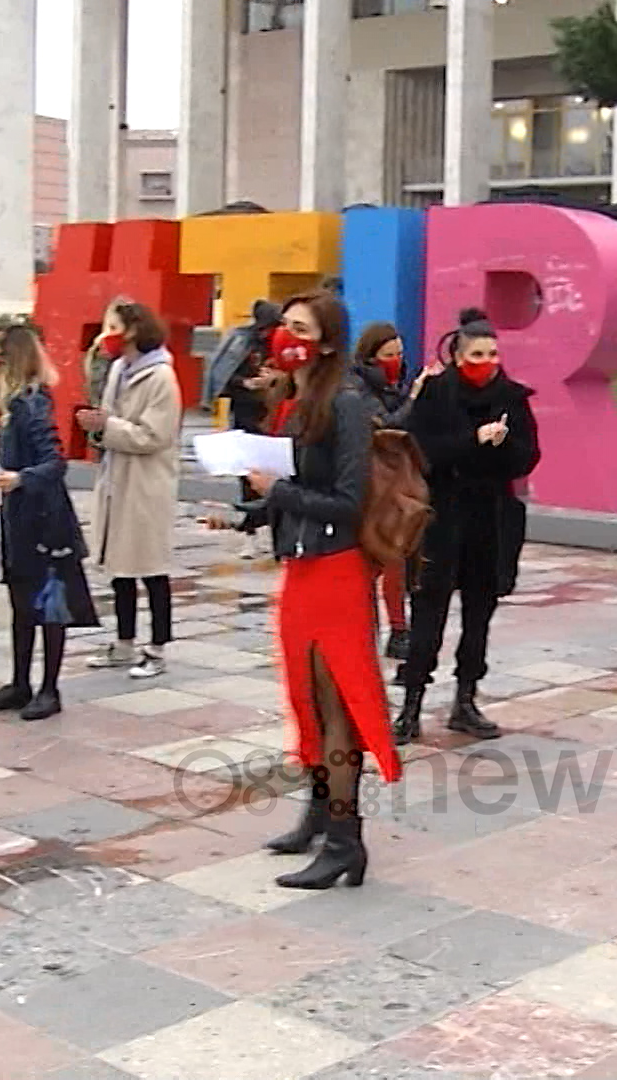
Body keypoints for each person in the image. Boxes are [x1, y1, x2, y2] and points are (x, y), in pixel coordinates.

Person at [217, 290, 398, 889]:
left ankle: (347, 840)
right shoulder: (299, 401)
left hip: (337, 571)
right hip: (302, 567)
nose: (285, 338)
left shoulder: (345, 403)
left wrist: (277, 491)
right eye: (285, 326)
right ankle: (320, 816)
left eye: (300, 328)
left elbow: (346, 501)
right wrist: (249, 512)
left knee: (337, 704)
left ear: (325, 342)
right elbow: (295, 487)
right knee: (309, 701)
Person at [391, 308, 541, 745]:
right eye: (477, 354)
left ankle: (466, 699)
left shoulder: (512, 397)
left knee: (479, 614)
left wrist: (503, 443)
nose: (486, 362)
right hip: (440, 517)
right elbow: (421, 450)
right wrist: (471, 441)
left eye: (493, 354)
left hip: (491, 518)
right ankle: (411, 705)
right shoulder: (436, 394)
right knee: (428, 613)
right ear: (458, 356)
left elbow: (528, 456)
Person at [0, 325, 100, 720]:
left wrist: (21, 478)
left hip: (44, 518)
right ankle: (20, 682)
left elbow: (55, 461)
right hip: (16, 515)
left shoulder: (31, 403)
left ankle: (49, 688)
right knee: (21, 602)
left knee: (50, 605)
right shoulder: (2, 405)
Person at [78, 301, 181, 679]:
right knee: (120, 566)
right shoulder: (119, 368)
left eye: (113, 326)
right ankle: (123, 642)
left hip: (146, 483)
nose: (107, 334)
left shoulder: (161, 377)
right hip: (116, 478)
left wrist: (107, 427)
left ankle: (157, 647)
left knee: (150, 567)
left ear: (134, 329)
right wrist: (97, 428)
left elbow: (153, 435)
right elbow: (110, 421)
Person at [351, 321, 431, 660]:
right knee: (378, 555)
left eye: (399, 353)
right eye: (389, 354)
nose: (396, 360)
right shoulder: (358, 387)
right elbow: (387, 425)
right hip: (373, 481)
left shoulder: (394, 383)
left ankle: (399, 630)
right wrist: (414, 397)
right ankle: (373, 629)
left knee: (397, 553)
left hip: (398, 478)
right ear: (371, 356)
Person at [215, 300, 281, 559]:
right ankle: (250, 534)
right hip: (246, 417)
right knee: (247, 478)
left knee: (278, 478)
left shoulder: (281, 345)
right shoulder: (241, 343)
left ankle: (277, 536)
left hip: (273, 419)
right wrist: (246, 383)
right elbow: (224, 378)